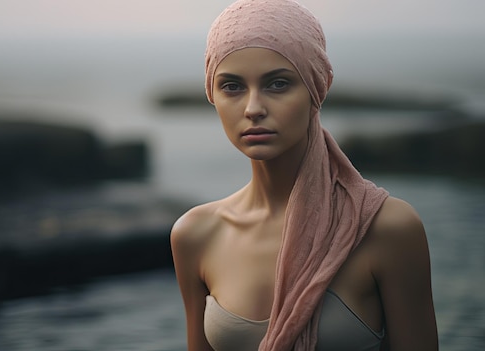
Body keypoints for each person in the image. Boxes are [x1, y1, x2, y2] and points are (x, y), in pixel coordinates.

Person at [170, 0, 438, 350]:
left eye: (278, 84)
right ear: (212, 95)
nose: (253, 108)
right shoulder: (195, 235)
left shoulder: (387, 228)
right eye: (232, 86)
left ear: (317, 87)